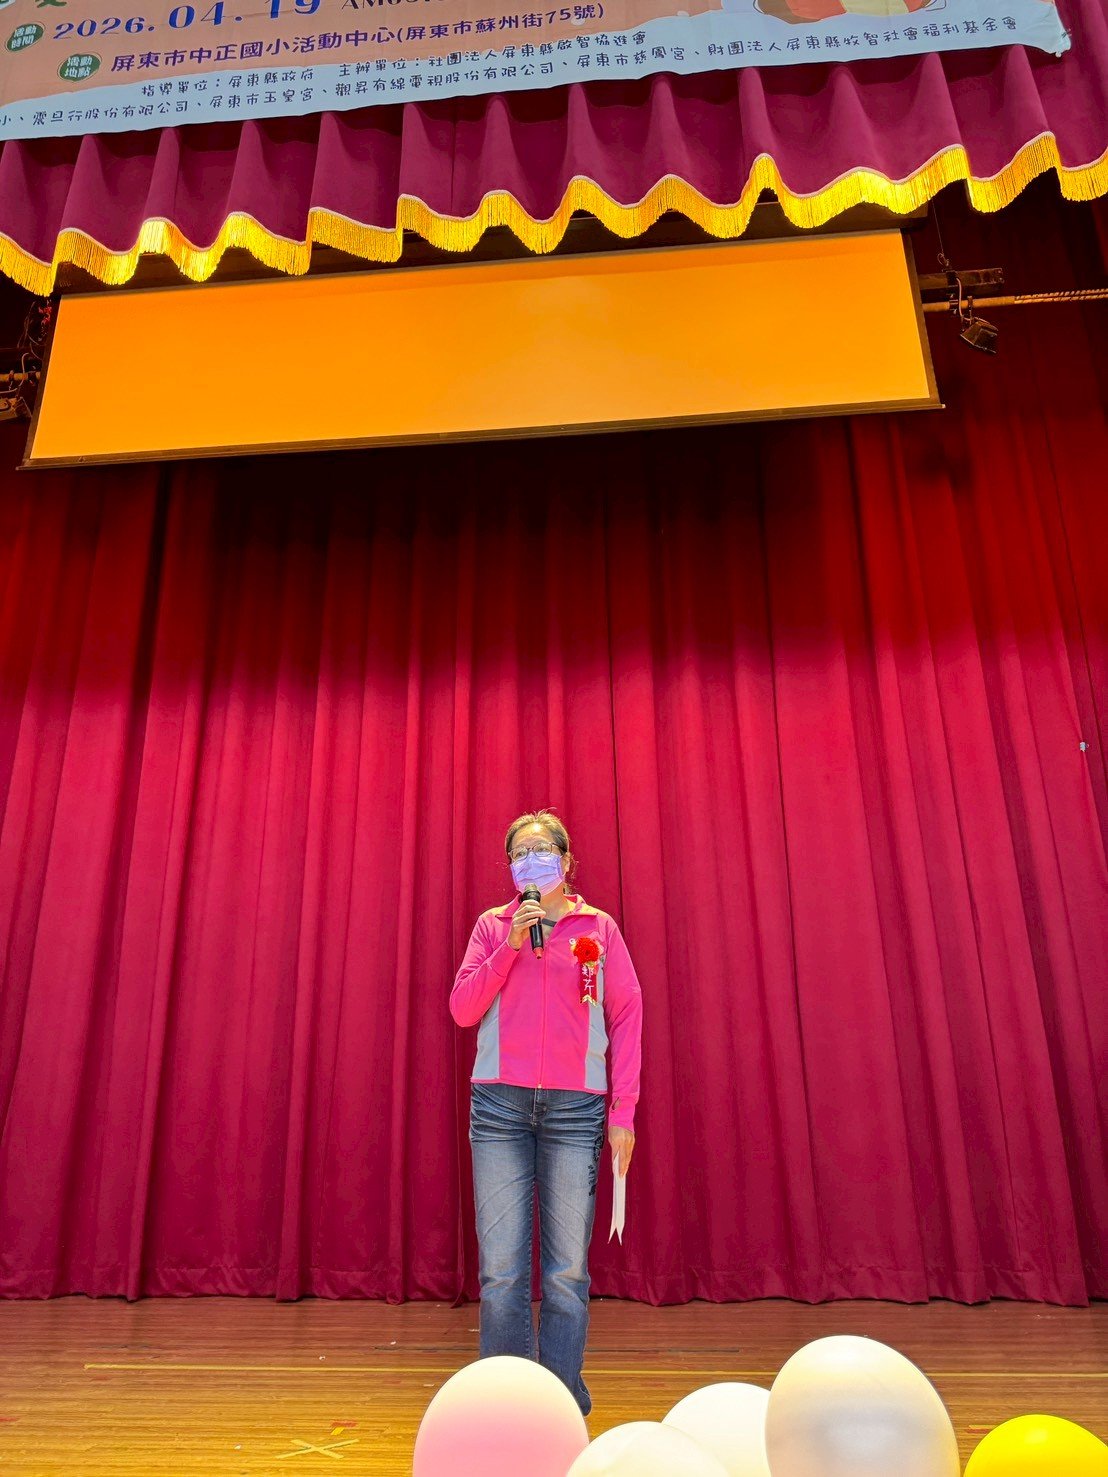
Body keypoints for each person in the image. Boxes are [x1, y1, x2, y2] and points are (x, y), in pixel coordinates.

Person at [450, 810, 643, 1416]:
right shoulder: (493, 926)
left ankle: (559, 1403)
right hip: (499, 1107)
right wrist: (510, 947)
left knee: (566, 1271)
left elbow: (626, 1014)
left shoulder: (598, 928)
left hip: (574, 1109)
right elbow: (462, 1009)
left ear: (565, 859)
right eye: (519, 853)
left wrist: (624, 1109)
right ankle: (508, 1405)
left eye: (541, 850)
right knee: (502, 1271)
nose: (530, 861)